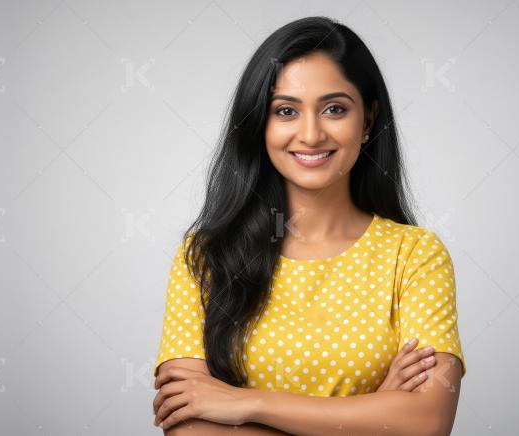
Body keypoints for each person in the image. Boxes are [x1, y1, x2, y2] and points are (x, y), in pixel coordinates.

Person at [152, 16, 465, 435]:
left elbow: (427, 422)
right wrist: (373, 414)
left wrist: (246, 404)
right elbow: (189, 428)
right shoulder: (205, 256)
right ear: (260, 124)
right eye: (285, 111)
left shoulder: (415, 255)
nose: (311, 133)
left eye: (334, 109)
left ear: (368, 120)